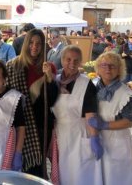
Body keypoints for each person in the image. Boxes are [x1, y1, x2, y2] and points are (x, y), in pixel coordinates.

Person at [5, 29, 59, 178]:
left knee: (37, 169)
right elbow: (3, 92)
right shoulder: (12, 66)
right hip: (19, 124)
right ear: (26, 44)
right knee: (16, 169)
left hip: (41, 126)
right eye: (31, 43)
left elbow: (53, 100)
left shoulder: (48, 67)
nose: (34, 47)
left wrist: (49, 78)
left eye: (39, 44)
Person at [51, 45, 102, 185]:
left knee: (81, 176)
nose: (72, 63)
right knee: (64, 175)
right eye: (68, 59)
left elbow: (90, 113)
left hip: (80, 135)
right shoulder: (55, 81)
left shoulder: (86, 84)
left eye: (76, 60)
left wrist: (94, 138)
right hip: (61, 136)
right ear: (62, 60)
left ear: (80, 62)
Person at [88, 52, 132, 185]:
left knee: (116, 179)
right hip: (97, 139)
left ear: (119, 69)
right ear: (98, 68)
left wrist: (104, 125)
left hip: (118, 144)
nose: (108, 69)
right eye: (103, 65)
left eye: (112, 66)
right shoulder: (92, 87)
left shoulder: (126, 93)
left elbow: (129, 121)